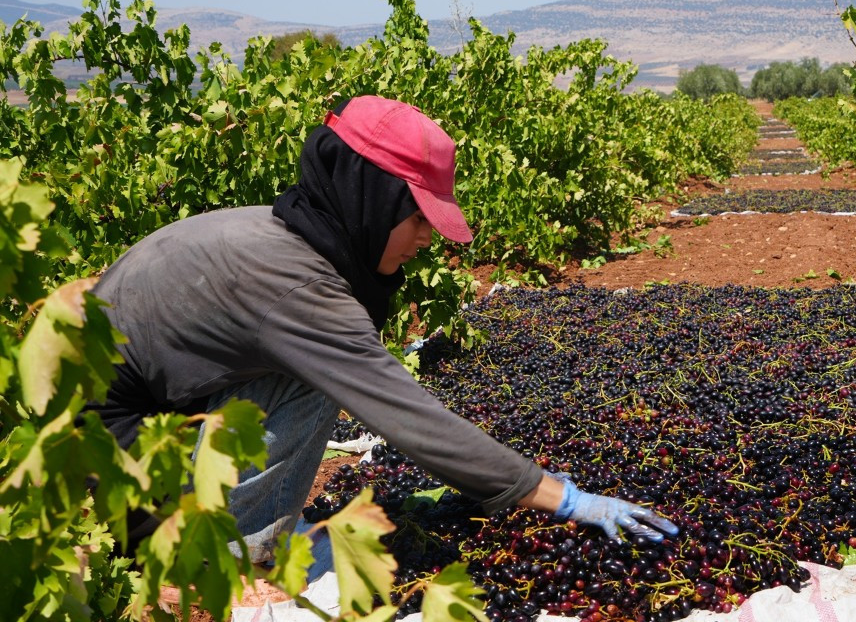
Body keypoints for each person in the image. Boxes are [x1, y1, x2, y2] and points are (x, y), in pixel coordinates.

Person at [85, 95, 678, 571]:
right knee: (329, 376)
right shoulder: (298, 288)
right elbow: (408, 416)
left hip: (123, 427)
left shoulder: (279, 232)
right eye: (418, 215)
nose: (426, 237)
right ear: (372, 198)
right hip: (114, 461)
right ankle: (220, 557)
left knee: (328, 365)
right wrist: (558, 496)